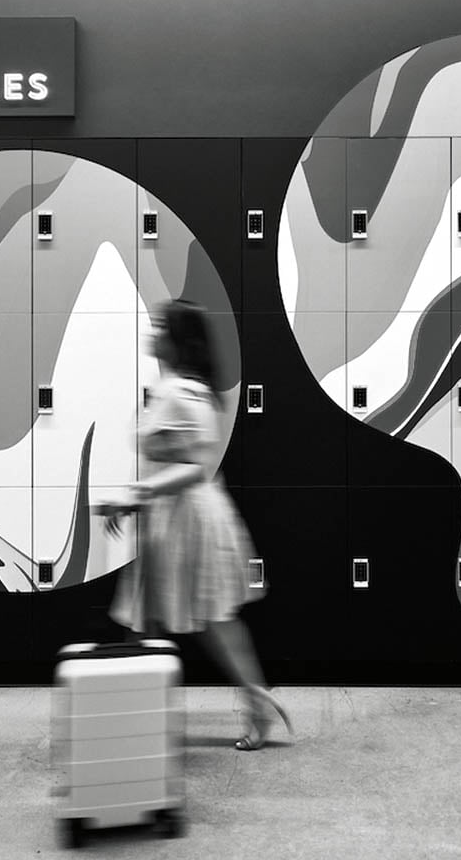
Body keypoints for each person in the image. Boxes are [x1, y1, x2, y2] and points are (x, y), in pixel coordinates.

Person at [105, 299, 292, 751]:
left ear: (178, 340)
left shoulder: (185, 391)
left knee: (210, 620)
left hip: (191, 520)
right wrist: (138, 498)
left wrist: (136, 494)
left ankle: (256, 706)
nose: (153, 332)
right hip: (169, 518)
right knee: (146, 619)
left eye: (160, 326)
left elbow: (196, 467)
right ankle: (141, 714)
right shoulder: (174, 385)